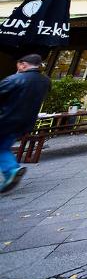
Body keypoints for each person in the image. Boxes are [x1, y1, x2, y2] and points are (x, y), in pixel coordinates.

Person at [0, 54, 51, 193]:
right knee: (3, 147)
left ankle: (11, 169)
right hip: (25, 121)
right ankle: (11, 169)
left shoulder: (16, 79)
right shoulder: (45, 81)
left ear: (23, 64)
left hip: (5, 119)